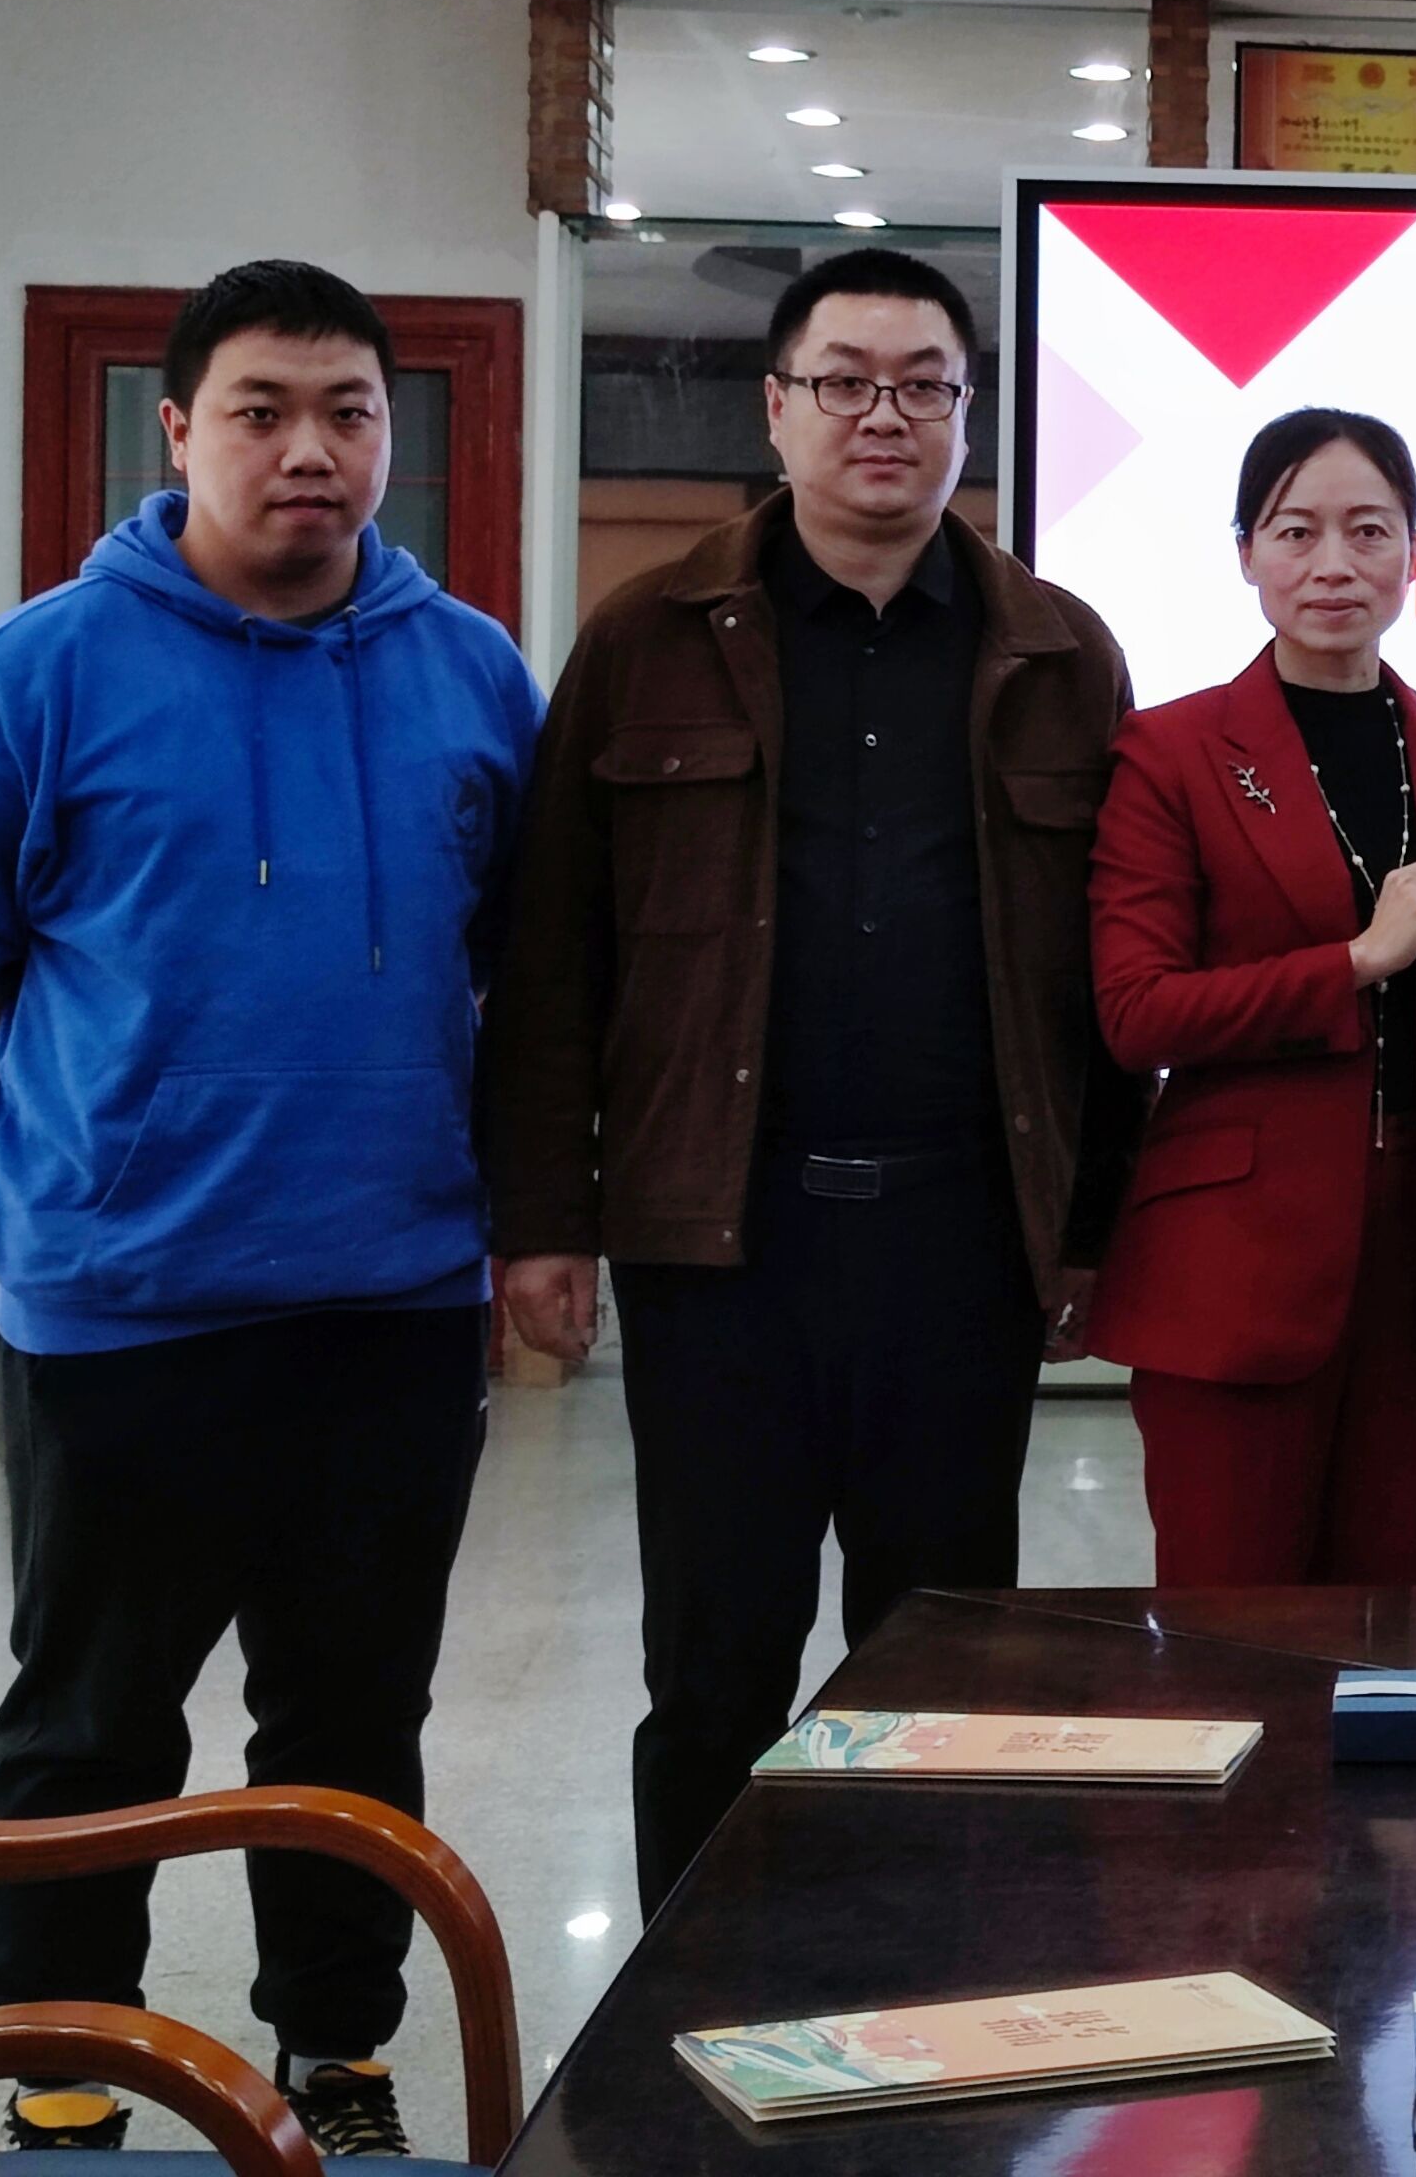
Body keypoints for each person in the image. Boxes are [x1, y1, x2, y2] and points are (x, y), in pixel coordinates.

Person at [0, 260, 540, 2159]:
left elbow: (519, 947)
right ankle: (68, 2063)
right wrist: (82, 1115)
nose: (310, 449)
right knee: (93, 1716)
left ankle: (339, 2053)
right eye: (261, 410)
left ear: (389, 435)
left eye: (349, 412)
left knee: (353, 1719)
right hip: (124, 1305)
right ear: (176, 431)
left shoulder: (473, 671)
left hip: (392, 1299)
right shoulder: (43, 667)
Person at [481, 246, 1138, 1917]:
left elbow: (1100, 986)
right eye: (845, 380)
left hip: (960, 1242)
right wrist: (544, 1216)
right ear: (776, 408)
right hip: (723, 1244)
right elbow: (554, 948)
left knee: (945, 1662)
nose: (883, 415)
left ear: (968, 417)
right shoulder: (645, 638)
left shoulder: (1058, 651)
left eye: (924, 384)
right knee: (716, 1663)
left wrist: (1087, 1230)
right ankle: (691, 2010)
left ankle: (914, 1990)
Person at [1082, 409, 1416, 1581]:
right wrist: (1355, 961)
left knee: (1392, 1626)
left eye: (1369, 530)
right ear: (1245, 553)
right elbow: (1136, 1012)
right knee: (1232, 1630)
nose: (1334, 563)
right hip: (1236, 1259)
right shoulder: (1171, 751)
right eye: (1295, 531)